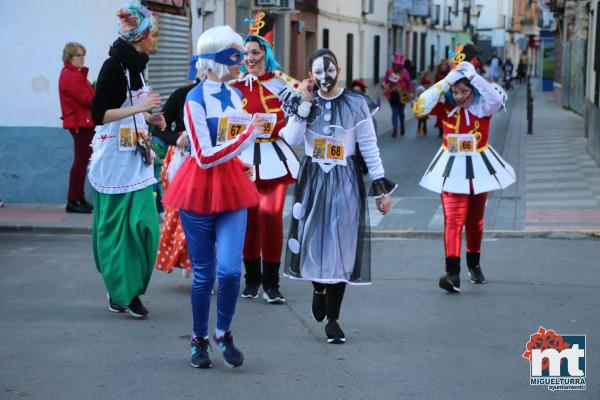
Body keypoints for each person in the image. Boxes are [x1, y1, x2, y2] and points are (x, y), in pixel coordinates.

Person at [162, 26, 267, 369]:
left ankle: (223, 331)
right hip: (199, 187)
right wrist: (247, 135)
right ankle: (198, 338)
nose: (243, 63)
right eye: (236, 55)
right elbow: (205, 156)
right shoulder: (194, 99)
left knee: (230, 271)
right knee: (205, 274)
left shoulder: (235, 95)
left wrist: (242, 163)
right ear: (218, 58)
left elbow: (232, 143)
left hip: (232, 186)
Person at [281, 48, 396, 344]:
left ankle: (334, 318)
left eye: (328, 70)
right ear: (310, 75)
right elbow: (292, 139)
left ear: (339, 70)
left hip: (345, 180)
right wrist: (305, 103)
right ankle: (318, 288)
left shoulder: (356, 103)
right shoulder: (302, 101)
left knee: (341, 247)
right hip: (313, 180)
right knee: (314, 242)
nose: (324, 76)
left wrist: (381, 189)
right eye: (317, 72)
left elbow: (369, 146)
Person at [413, 44, 516, 294]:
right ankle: (453, 273)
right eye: (456, 92)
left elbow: (495, 98)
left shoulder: (483, 108)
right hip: (451, 170)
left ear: (472, 90)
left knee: (475, 221)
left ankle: (474, 264)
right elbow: (420, 107)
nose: (459, 96)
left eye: (464, 91)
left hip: (480, 167)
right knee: (452, 220)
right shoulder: (446, 108)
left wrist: (473, 76)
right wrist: (447, 79)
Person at [89, 3, 166, 318]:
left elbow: (133, 110)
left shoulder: (137, 65)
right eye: (154, 34)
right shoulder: (113, 66)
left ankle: (130, 286)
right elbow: (100, 115)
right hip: (114, 162)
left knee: (146, 227)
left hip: (138, 156)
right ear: (142, 35)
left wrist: (151, 117)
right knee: (118, 231)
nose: (156, 40)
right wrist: (140, 109)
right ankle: (123, 293)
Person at [232, 12, 300, 304]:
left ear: (266, 54)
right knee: (248, 220)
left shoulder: (284, 86)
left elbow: (298, 120)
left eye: (255, 53)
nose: (250, 58)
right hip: (244, 158)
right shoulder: (234, 87)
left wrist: (276, 125)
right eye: (246, 53)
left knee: (271, 217)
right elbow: (227, 124)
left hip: (274, 156)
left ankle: (272, 283)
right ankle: (252, 280)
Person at [58, 42, 96, 214]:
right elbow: (87, 99)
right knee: (80, 162)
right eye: (78, 55)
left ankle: (79, 199)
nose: (82, 58)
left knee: (82, 161)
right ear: (69, 57)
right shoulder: (71, 76)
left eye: (83, 55)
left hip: (83, 122)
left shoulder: (74, 74)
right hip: (80, 124)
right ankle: (73, 200)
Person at [383, 52, 413, 137]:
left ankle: (402, 124)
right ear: (393, 64)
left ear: (401, 65)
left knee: (400, 112)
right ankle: (395, 130)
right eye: (395, 64)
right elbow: (385, 81)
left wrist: (410, 92)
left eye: (398, 64)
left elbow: (409, 82)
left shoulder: (404, 72)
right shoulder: (389, 71)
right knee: (394, 112)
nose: (397, 65)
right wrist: (383, 84)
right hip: (392, 94)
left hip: (402, 95)